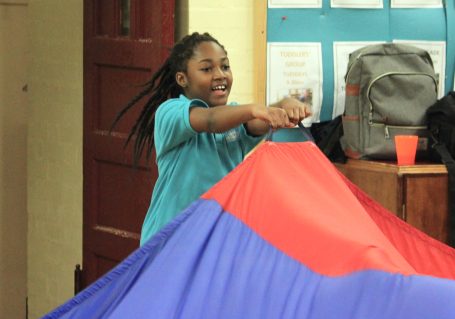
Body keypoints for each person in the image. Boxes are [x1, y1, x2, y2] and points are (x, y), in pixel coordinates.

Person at [112, 32, 311, 245]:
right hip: (168, 244)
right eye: (207, 69)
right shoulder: (170, 112)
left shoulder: (235, 118)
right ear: (182, 79)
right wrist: (255, 109)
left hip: (210, 242)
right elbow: (210, 121)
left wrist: (284, 105)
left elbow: (256, 122)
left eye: (225, 66)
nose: (220, 75)